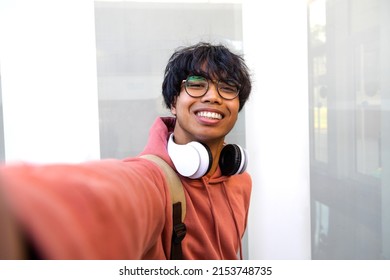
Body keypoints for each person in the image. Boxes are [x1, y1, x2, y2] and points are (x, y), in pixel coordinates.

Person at [0, 42, 252, 260]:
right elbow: (106, 196)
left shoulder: (240, 181)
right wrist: (20, 203)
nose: (213, 97)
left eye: (227, 87)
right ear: (173, 102)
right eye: (197, 85)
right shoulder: (152, 180)